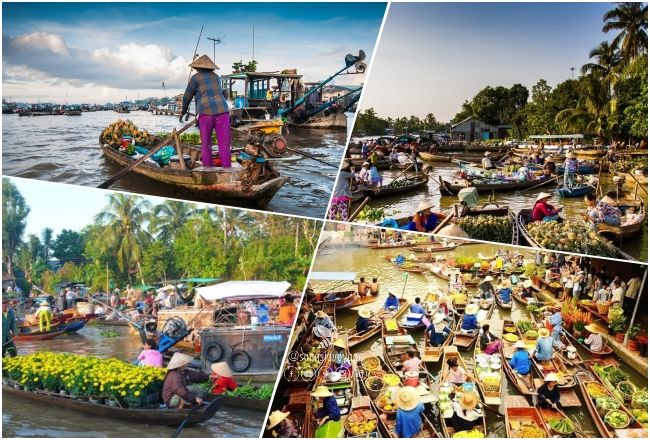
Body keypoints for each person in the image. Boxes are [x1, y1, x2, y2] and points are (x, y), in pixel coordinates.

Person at [180, 54, 231, 168]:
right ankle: (228, 169)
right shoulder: (216, 77)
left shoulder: (195, 78)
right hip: (223, 111)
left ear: (197, 67)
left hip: (206, 113)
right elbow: (221, 92)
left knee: (206, 145)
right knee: (224, 145)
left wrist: (183, 111)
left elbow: (187, 97)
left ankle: (208, 169)